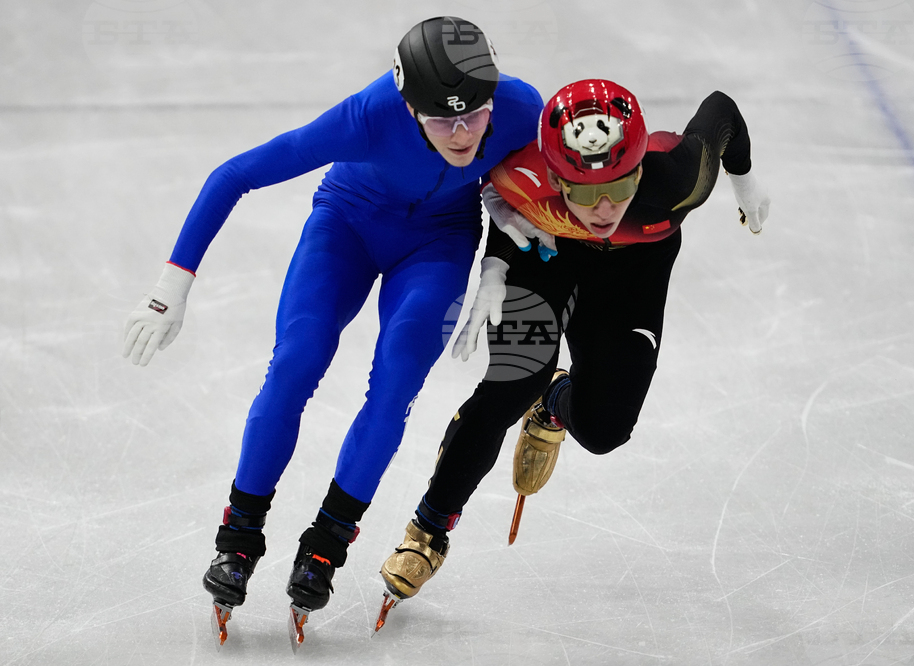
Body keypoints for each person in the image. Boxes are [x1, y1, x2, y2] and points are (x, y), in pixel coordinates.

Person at [120, 16, 543, 642]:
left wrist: (498, 260)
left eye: (475, 116)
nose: (461, 134)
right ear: (407, 106)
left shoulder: (520, 106)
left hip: (439, 243)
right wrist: (169, 288)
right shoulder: (368, 117)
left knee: (396, 385)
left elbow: (553, 186)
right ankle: (238, 535)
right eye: (440, 120)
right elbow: (234, 174)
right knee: (296, 364)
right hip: (347, 224)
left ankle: (326, 541)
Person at [376, 79, 771, 617]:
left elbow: (722, 108)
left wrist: (743, 183)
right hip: (547, 258)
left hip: (631, 278)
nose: (603, 207)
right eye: (583, 193)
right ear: (555, 175)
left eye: (619, 184)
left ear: (639, 168)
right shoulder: (524, 174)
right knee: (512, 384)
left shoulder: (679, 176)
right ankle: (429, 526)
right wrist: (495, 264)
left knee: (605, 431)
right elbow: (498, 199)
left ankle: (556, 398)